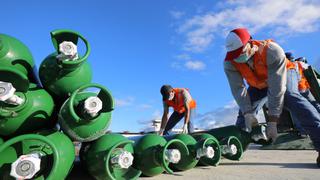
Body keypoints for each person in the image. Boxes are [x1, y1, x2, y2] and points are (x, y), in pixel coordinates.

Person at [224, 28, 320, 167]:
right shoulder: (229, 63)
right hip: (258, 84)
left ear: (250, 43)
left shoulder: (272, 51)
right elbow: (238, 90)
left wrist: (273, 121)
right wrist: (247, 112)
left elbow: (277, 89)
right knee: (244, 116)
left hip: (284, 74)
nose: (238, 57)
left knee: (290, 97)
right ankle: (234, 147)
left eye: (240, 53)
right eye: (234, 55)